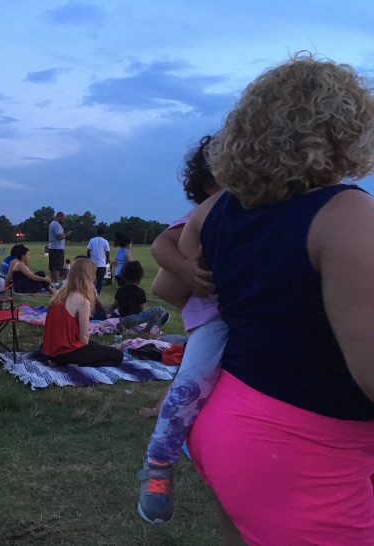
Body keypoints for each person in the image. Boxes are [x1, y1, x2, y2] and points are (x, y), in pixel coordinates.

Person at [158, 56, 374, 543]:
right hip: (304, 451)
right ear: (342, 132)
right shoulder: (347, 213)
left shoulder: (214, 210)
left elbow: (169, 290)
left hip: (229, 421)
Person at [135, 135, 225, 523]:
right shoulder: (211, 209)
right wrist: (187, 269)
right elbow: (161, 245)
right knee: (186, 388)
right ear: (210, 183)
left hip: (244, 318)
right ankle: (158, 464)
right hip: (215, 320)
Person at [41, 258, 123, 366]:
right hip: (65, 352)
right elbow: (84, 338)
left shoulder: (59, 294)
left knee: (97, 346)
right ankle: (74, 363)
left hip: (50, 350)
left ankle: (67, 361)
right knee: (118, 355)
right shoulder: (82, 299)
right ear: (89, 276)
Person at [108, 261, 169, 335]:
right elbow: (141, 311)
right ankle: (147, 330)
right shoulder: (140, 292)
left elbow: (114, 306)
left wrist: (108, 313)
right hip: (134, 319)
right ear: (139, 277)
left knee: (135, 318)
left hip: (122, 320)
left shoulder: (120, 290)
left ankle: (123, 327)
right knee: (159, 310)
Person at [48, 211, 71, 284]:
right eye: (63, 218)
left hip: (52, 247)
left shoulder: (52, 223)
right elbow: (59, 237)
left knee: (52, 266)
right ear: (59, 217)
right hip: (58, 248)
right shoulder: (57, 225)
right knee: (57, 266)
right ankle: (56, 283)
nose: (63, 220)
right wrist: (66, 234)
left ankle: (53, 282)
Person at [87, 227, 110, 293]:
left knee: (92, 278)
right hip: (102, 263)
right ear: (103, 233)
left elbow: (88, 251)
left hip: (92, 263)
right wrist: (107, 261)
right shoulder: (105, 241)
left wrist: (89, 259)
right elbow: (107, 253)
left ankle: (91, 290)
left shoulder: (92, 240)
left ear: (97, 232)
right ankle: (98, 292)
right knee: (100, 279)